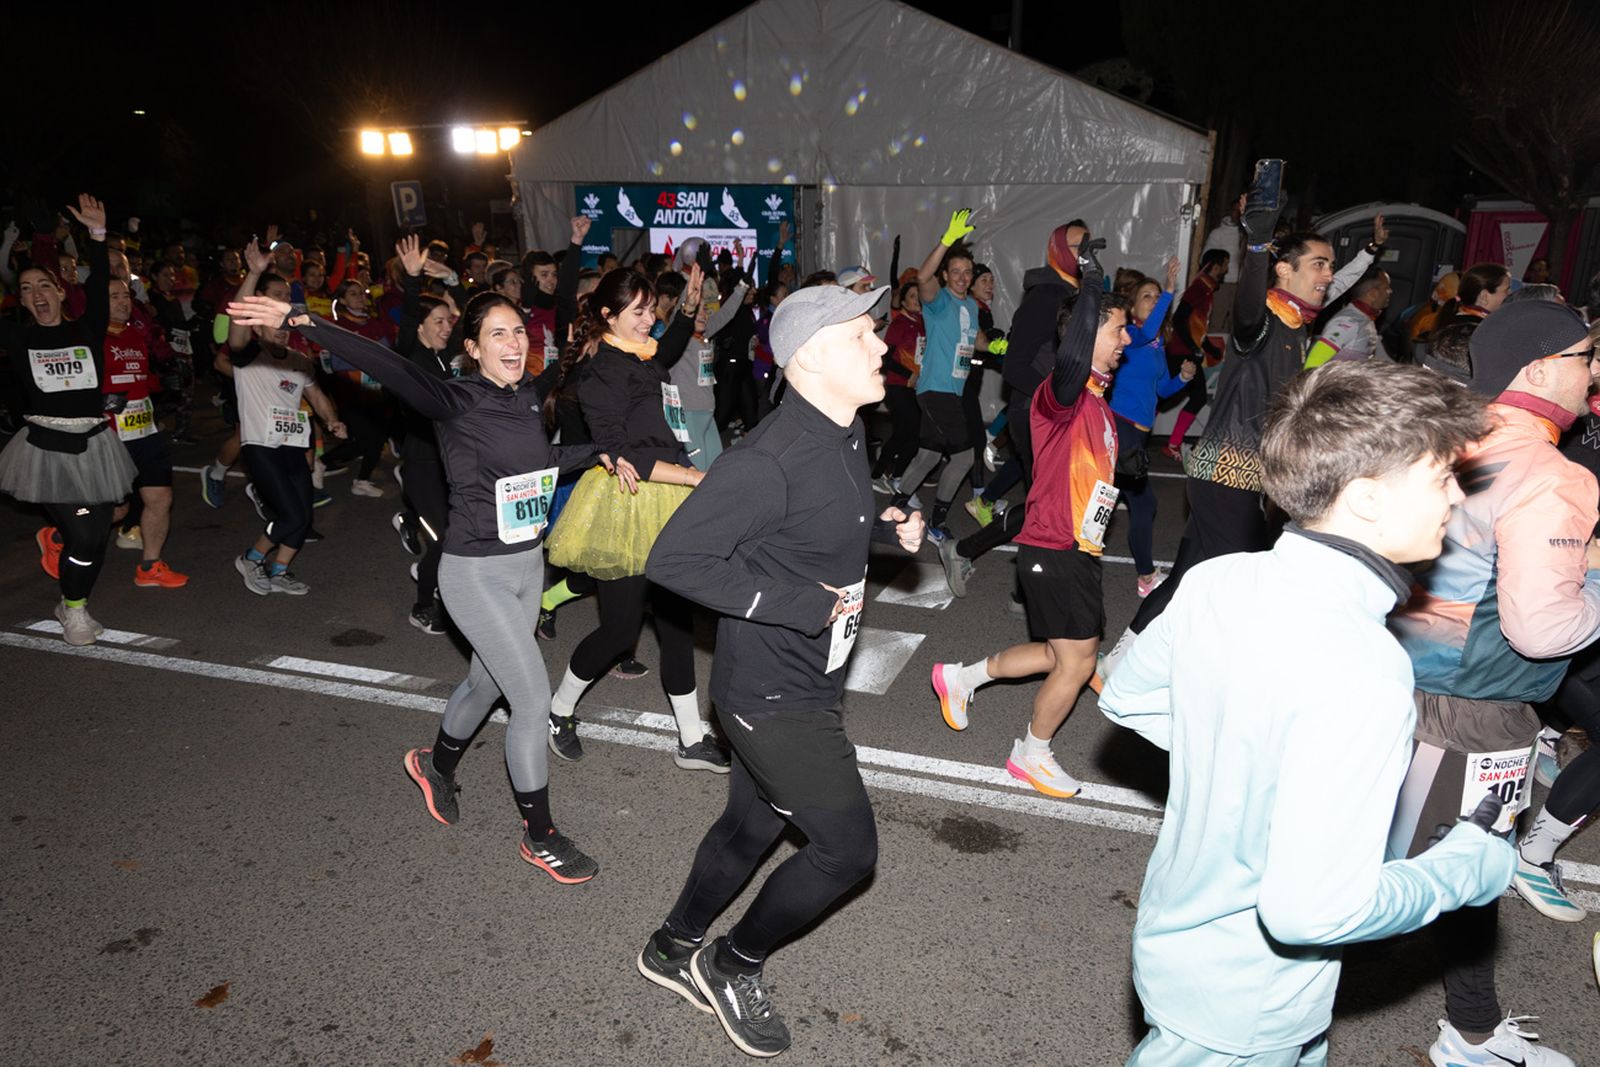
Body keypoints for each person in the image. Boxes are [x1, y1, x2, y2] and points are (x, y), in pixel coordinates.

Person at [1101, 360, 1515, 1067]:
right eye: (1440, 475)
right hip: (1249, 1004)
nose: (1457, 494)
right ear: (1365, 499)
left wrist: (1248, 767)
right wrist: (1468, 866)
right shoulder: (1365, 665)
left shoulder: (1217, 579)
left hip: (1179, 947)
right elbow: (1312, 910)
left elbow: (1127, 694)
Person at [228, 277, 628, 884]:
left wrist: (591, 452)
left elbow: (537, 465)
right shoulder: (456, 399)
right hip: (475, 575)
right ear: (472, 347)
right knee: (529, 700)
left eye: (519, 331)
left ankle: (434, 766)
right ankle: (539, 835)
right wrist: (304, 320)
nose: (514, 343)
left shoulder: (525, 399)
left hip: (526, 568)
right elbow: (387, 365)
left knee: (484, 683)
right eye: (498, 334)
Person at [636, 282, 924, 1059]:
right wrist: (793, 601)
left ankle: (669, 946)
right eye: (863, 335)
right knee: (846, 850)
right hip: (769, 692)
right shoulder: (766, 458)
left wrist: (888, 530)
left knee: (751, 823)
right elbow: (674, 560)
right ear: (811, 357)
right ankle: (732, 963)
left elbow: (826, 522)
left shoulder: (846, 430)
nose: (881, 346)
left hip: (813, 677)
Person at [1390, 300, 1595, 1067]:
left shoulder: (1453, 435)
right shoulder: (1547, 469)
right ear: (1539, 367)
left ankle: (1471, 1029)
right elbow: (1541, 629)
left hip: (1404, 683)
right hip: (1472, 709)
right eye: (1585, 355)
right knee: (1434, 872)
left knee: (1455, 870)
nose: (1594, 370)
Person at [1113, 194, 1382, 651]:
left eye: (1330, 265)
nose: (1328, 276)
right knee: (1236, 591)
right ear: (1284, 270)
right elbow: (1250, 302)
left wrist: (1369, 254)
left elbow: (1335, 290)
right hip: (1229, 478)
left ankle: (1120, 660)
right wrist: (1256, 242)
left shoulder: (1298, 323)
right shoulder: (1261, 320)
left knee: (1184, 579)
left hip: (1241, 477)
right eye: (1319, 264)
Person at [930, 236, 1127, 797]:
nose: (1126, 339)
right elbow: (1073, 354)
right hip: (1054, 543)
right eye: (1117, 330)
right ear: (1087, 335)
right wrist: (1091, 283)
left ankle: (958, 678)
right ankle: (1031, 755)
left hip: (1074, 547)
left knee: (1055, 653)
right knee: (1077, 658)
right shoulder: (1056, 395)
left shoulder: (1094, 401)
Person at [542, 266, 729, 773]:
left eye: (652, 309)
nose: (650, 320)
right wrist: (693, 479)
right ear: (608, 315)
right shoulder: (601, 367)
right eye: (639, 312)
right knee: (621, 630)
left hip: (667, 492)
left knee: (675, 622)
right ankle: (557, 711)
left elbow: (662, 354)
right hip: (629, 499)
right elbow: (619, 452)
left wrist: (687, 308)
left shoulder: (638, 353)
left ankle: (691, 740)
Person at [0, 194, 137, 645]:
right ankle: (75, 612)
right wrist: (34, 240)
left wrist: (97, 236)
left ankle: (70, 601)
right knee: (82, 532)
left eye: (43, 286)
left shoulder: (85, 328)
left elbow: (99, 285)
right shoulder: (19, 339)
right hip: (45, 449)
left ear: (61, 291)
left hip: (95, 445)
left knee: (95, 538)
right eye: (25, 290)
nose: (35, 295)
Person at [220, 250, 346, 596]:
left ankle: (279, 569)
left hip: (294, 446)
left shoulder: (299, 361)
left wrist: (333, 422)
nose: (281, 331)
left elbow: (317, 397)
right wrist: (253, 273)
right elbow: (237, 324)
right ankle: (251, 558)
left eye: (284, 326)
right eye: (273, 324)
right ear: (258, 324)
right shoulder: (247, 354)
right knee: (290, 515)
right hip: (261, 447)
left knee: (303, 516)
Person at [888, 210, 982, 538]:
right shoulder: (938, 300)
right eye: (954, 271)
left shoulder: (970, 306)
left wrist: (995, 345)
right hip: (936, 390)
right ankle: (937, 523)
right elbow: (922, 278)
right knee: (964, 457)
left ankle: (895, 507)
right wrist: (945, 240)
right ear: (945, 276)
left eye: (966, 272)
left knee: (928, 455)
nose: (961, 276)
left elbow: (973, 340)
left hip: (950, 391)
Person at [1107, 259, 1192, 597]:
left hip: (1139, 434)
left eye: (1158, 296)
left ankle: (1071, 550)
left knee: (1103, 500)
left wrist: (1181, 380)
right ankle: (1145, 577)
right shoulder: (1132, 335)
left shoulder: (1155, 346)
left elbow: (1158, 392)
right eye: (1148, 296)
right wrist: (1171, 289)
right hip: (1121, 426)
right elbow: (1151, 327)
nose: (1155, 301)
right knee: (1143, 503)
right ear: (1133, 304)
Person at [102, 278, 188, 588]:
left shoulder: (135, 334)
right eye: (113, 296)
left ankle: (150, 566)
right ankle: (60, 534)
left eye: (125, 295)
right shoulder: (89, 338)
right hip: (110, 435)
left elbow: (140, 378)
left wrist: (162, 381)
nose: (123, 302)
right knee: (115, 510)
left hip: (144, 430)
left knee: (160, 497)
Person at [871, 280, 924, 492]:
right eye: (912, 296)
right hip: (897, 385)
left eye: (919, 295)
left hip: (915, 386)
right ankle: (888, 475)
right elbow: (887, 359)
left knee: (906, 433)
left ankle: (888, 474)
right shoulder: (900, 324)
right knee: (910, 433)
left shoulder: (921, 322)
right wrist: (908, 373)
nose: (917, 300)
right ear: (902, 302)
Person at [1304, 268, 1393, 367]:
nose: (1390, 292)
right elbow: (1314, 361)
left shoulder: (1364, 319)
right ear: (1373, 294)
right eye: (1387, 288)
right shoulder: (1348, 321)